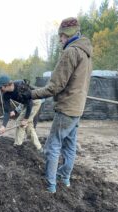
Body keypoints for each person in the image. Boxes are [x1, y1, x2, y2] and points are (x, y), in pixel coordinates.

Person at [25, 17, 93, 193]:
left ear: (66, 35)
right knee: (70, 145)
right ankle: (65, 178)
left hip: (67, 108)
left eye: (61, 37)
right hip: (78, 107)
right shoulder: (86, 53)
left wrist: (31, 94)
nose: (60, 40)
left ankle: (50, 185)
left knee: (53, 145)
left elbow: (55, 86)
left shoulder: (71, 52)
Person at [0, 75, 43, 153]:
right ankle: (39, 148)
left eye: (1, 87)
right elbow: (7, 112)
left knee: (21, 123)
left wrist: (26, 119)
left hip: (34, 102)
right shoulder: (5, 95)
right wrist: (3, 126)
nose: (0, 90)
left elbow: (30, 102)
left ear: (6, 85)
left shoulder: (21, 86)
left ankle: (18, 145)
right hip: (26, 104)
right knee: (28, 126)